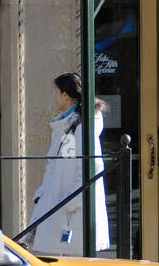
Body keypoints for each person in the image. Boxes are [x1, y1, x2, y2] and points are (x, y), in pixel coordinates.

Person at [30, 73, 110, 255]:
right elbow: (53, 164)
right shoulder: (65, 126)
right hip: (57, 203)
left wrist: (70, 202)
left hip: (71, 212)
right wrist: (43, 193)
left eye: (56, 92)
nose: (55, 96)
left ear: (65, 95)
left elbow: (91, 168)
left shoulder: (82, 127)